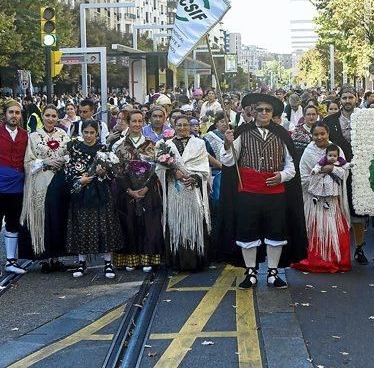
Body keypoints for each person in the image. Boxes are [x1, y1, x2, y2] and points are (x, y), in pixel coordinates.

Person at [217, 92, 307, 289]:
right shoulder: (241, 133)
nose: (264, 113)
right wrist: (227, 144)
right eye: (260, 110)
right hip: (248, 192)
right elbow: (229, 161)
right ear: (253, 112)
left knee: (276, 232)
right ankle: (250, 272)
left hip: (275, 192)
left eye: (268, 110)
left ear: (273, 113)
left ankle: (273, 273)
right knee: (247, 231)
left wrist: (281, 176)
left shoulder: (282, 134)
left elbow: (291, 165)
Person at [65, 119, 124, 279]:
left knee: (104, 227)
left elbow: (113, 174)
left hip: (101, 193)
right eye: (86, 132)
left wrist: (103, 173)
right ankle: (82, 262)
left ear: (97, 134)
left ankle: (107, 263)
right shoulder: (74, 149)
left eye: (92, 133)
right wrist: (79, 180)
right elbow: (68, 170)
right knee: (81, 227)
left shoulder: (104, 149)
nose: (89, 136)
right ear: (81, 133)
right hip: (81, 193)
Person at [292, 123, 351, 273]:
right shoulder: (308, 152)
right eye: (316, 134)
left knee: (335, 229)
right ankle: (318, 260)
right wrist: (320, 175)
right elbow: (304, 177)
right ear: (311, 136)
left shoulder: (336, 149)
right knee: (316, 229)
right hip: (314, 200)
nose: (319, 137)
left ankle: (337, 259)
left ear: (328, 133)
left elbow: (345, 172)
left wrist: (331, 169)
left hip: (332, 198)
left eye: (322, 134)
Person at [156, 116, 211, 271]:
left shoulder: (199, 143)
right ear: (174, 126)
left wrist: (194, 178)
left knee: (195, 223)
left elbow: (204, 168)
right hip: (175, 189)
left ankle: (196, 261)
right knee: (176, 222)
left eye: (185, 125)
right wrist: (173, 173)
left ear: (190, 126)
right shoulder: (165, 145)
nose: (182, 128)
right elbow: (159, 169)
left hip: (192, 190)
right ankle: (177, 262)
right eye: (179, 125)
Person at [0, 100, 29, 277]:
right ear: (4, 115)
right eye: (11, 112)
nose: (14, 116)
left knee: (13, 224)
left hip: (17, 187)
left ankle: (10, 260)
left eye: (17, 113)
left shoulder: (25, 135)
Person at [20, 105, 70, 272]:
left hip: (60, 181)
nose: (51, 118)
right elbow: (28, 162)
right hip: (42, 182)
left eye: (54, 116)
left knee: (59, 218)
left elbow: (72, 154)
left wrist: (62, 159)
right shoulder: (34, 137)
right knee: (45, 218)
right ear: (42, 116)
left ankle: (57, 257)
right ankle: (46, 257)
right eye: (47, 115)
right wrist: (45, 162)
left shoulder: (63, 134)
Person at [112, 109, 163, 271]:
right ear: (128, 122)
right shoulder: (119, 146)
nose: (137, 124)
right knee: (129, 224)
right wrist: (129, 190)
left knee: (148, 224)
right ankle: (130, 259)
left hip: (147, 191)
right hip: (127, 192)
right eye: (134, 121)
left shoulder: (151, 145)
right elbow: (117, 172)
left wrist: (146, 188)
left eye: (140, 121)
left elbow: (157, 169)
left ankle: (147, 258)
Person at [323, 86, 368, 264]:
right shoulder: (329, 120)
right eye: (344, 98)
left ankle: (359, 248)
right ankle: (335, 249)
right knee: (336, 211)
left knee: (358, 213)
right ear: (339, 100)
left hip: (358, 173)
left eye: (351, 97)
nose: (347, 101)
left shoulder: (365, 119)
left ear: (356, 99)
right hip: (336, 173)